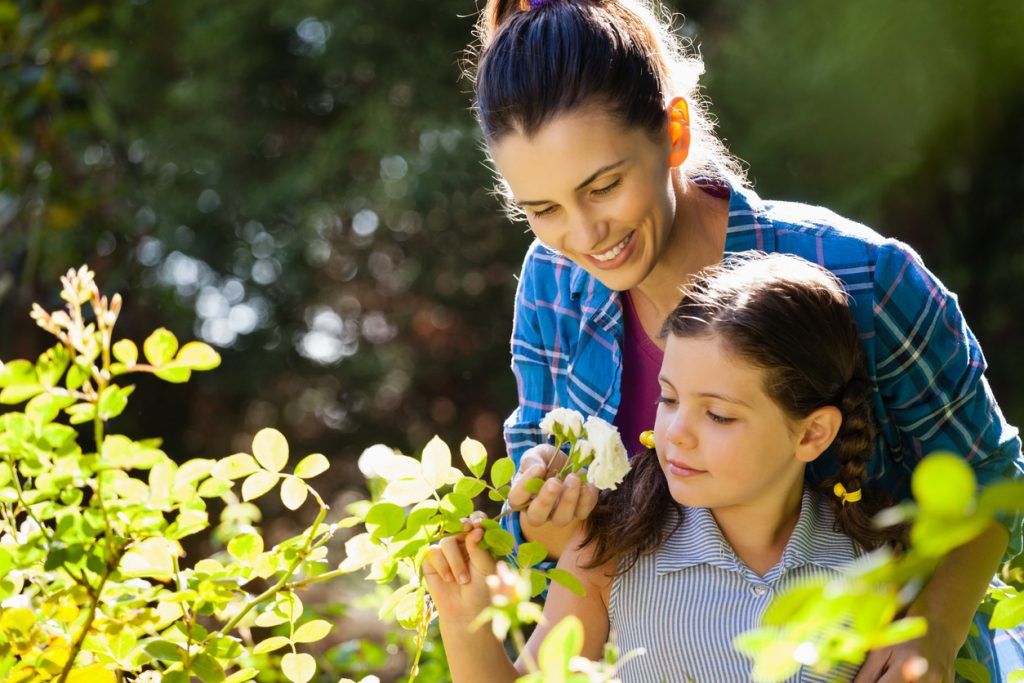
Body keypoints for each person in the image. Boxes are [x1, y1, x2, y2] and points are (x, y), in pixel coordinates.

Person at [466, 0, 1024, 681]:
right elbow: (557, 547)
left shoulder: (867, 279)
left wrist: (930, 633)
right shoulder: (553, 287)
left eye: (604, 185)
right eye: (543, 210)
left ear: (673, 133)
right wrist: (549, 514)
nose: (584, 236)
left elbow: (992, 483)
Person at [427, 254, 920, 681]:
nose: (675, 433)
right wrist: (461, 617)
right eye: (668, 398)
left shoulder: (873, 564)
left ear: (812, 433)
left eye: (719, 414)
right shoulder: (609, 551)